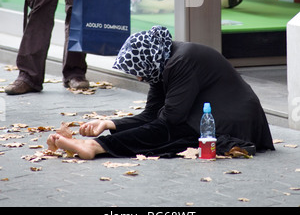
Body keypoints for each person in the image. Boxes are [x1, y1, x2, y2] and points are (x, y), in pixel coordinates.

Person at [47, 26, 275, 160]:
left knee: (171, 134)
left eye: (138, 71)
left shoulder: (182, 61)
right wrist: (109, 123)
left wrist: (106, 139)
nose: (138, 77)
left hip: (235, 123)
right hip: (206, 117)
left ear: (148, 60)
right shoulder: (159, 64)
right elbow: (150, 115)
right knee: (165, 132)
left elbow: (169, 120)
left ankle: (96, 147)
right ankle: (99, 145)